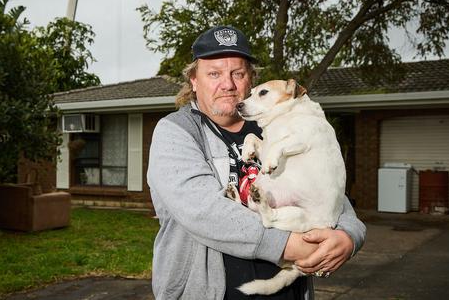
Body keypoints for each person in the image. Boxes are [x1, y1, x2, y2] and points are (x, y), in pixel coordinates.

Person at [147, 25, 366, 300]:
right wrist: (291, 246)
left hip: (290, 292)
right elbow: (202, 211)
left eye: (237, 73)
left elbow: (329, 186)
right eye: (214, 73)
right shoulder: (176, 131)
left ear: (251, 79)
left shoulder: (274, 126)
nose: (227, 84)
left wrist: (349, 236)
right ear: (193, 80)